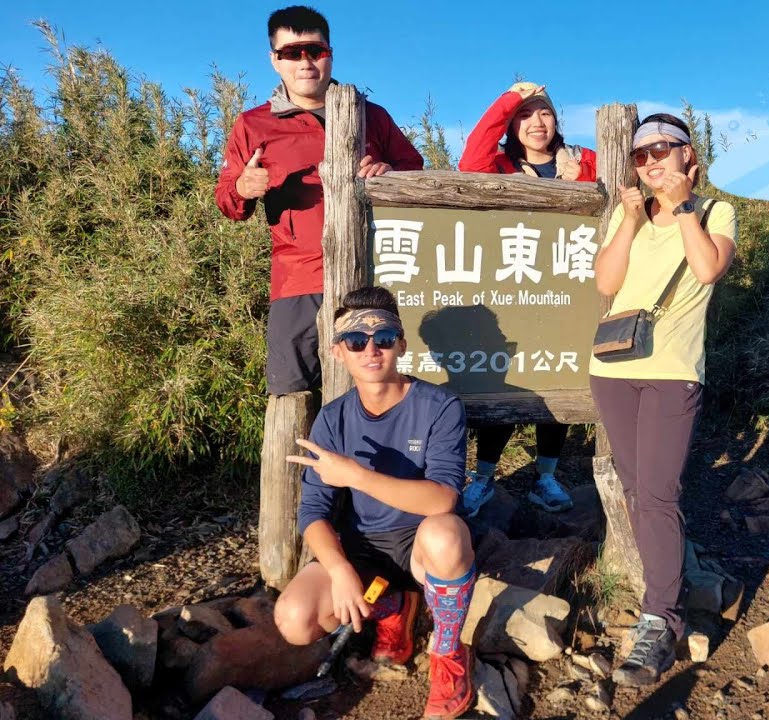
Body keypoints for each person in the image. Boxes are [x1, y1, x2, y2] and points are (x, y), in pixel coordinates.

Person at [275, 287, 476, 720]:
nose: (371, 349)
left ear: (401, 345)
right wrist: (339, 568)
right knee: (294, 619)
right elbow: (312, 512)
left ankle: (448, 655)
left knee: (446, 534)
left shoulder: (440, 406)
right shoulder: (333, 418)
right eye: (356, 341)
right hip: (362, 545)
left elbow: (443, 498)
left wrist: (356, 476)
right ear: (337, 351)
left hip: (420, 543)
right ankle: (394, 608)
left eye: (384, 338)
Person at [589, 114, 736, 687]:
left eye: (662, 150)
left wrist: (680, 210)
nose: (651, 160)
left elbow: (707, 268)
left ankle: (660, 618)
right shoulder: (627, 215)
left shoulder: (712, 211)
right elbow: (606, 284)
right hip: (612, 369)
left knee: (656, 491)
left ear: (688, 156)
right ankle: (665, 581)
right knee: (637, 490)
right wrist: (627, 220)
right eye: (641, 154)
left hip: (672, 373)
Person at [215, 5, 423, 397]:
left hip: (372, 274)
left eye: (315, 51)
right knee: (293, 393)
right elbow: (226, 200)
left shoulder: (370, 115)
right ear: (274, 61)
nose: (305, 62)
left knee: (374, 389)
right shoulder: (253, 124)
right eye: (291, 53)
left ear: (330, 53)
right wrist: (243, 187)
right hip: (298, 279)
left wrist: (387, 172)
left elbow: (414, 171)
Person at [455, 82, 599, 517]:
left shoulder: (584, 160)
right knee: (508, 381)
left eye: (545, 113)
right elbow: (469, 163)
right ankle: (482, 480)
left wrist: (584, 183)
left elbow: (616, 196)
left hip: (572, 292)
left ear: (557, 120)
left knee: (558, 377)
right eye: (524, 114)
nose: (536, 123)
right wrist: (506, 99)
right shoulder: (499, 165)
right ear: (511, 123)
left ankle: (547, 477)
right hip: (513, 293)